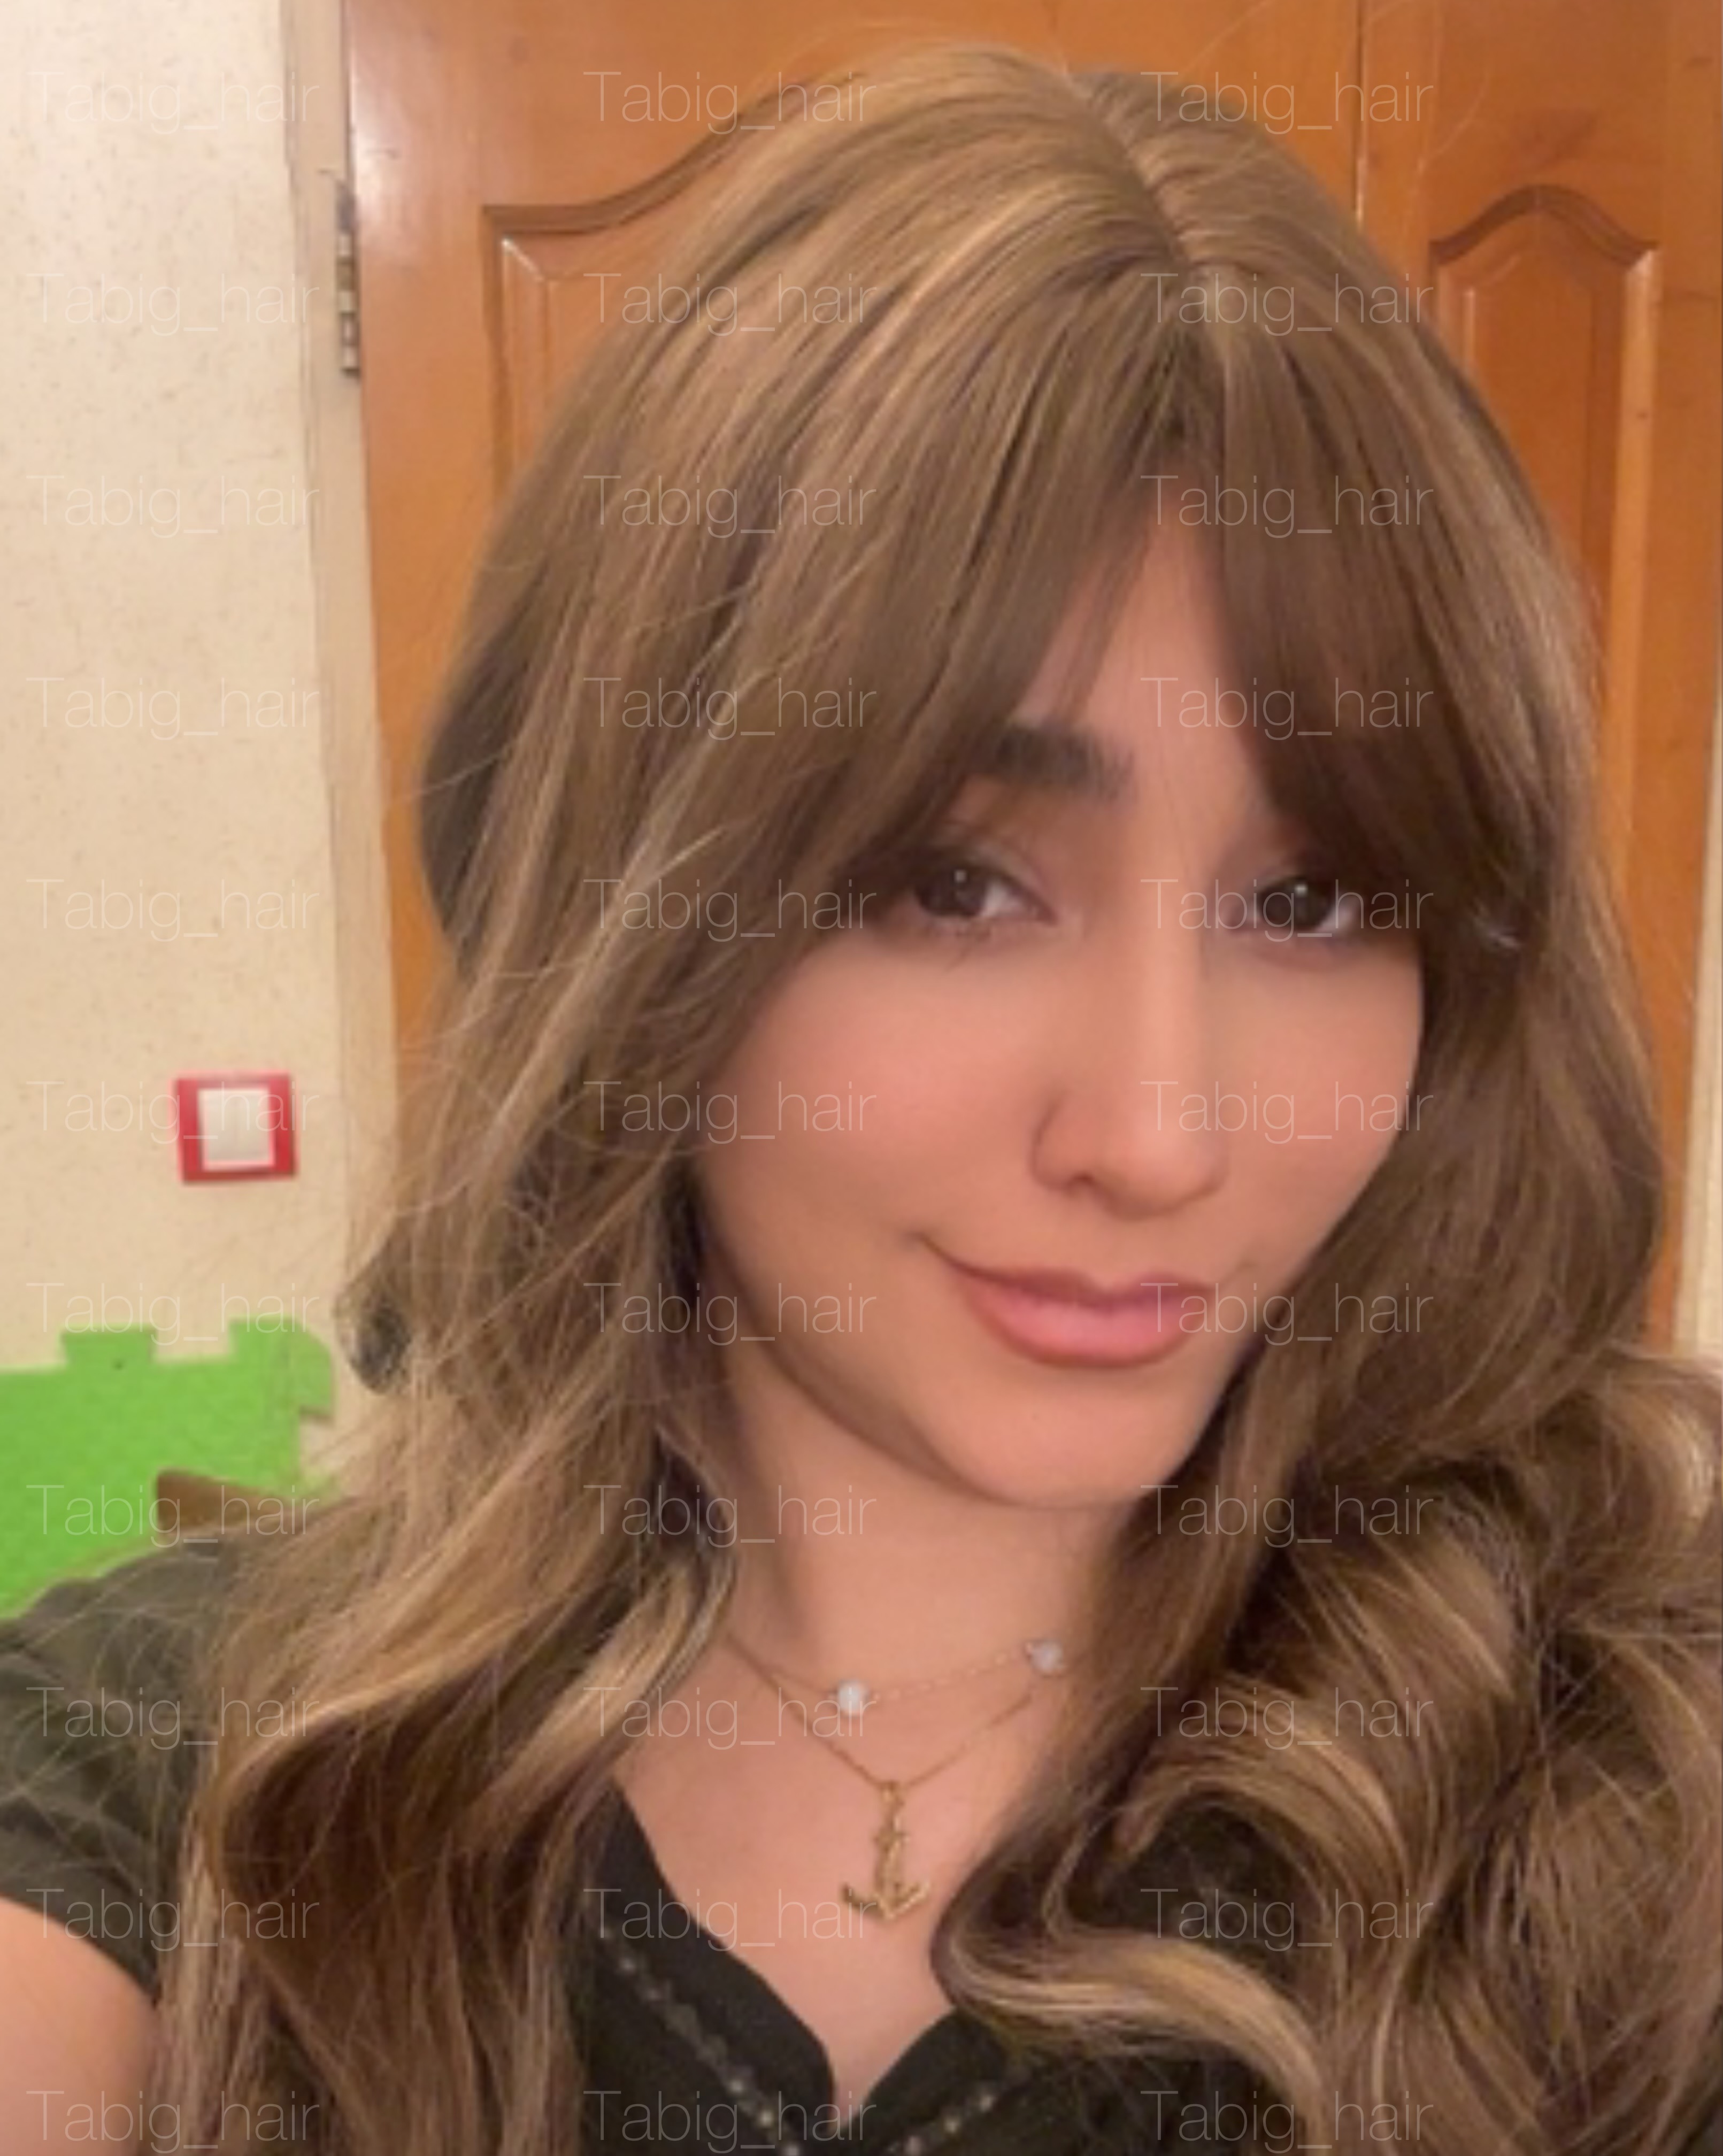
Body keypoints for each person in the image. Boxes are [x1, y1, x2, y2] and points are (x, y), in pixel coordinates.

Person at [3, 38, 1719, 2156]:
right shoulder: (184, 1772)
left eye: (1312, 898)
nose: (1159, 1138)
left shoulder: (1633, 1762)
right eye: (952, 883)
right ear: (632, 901)